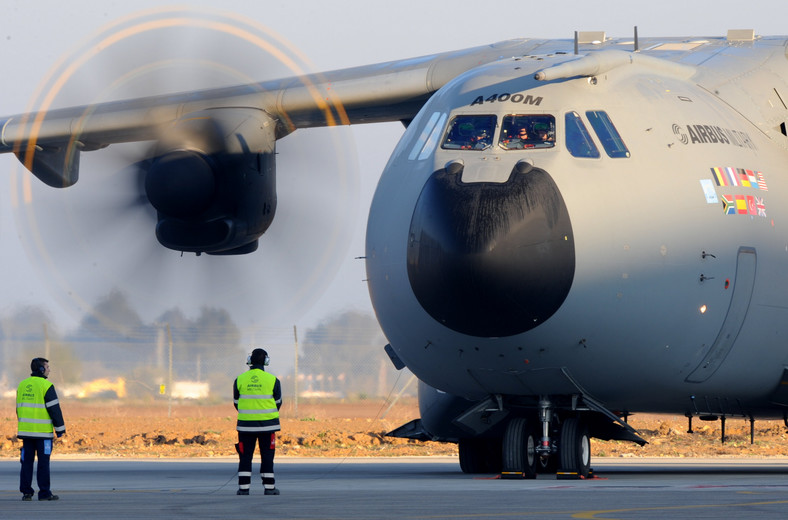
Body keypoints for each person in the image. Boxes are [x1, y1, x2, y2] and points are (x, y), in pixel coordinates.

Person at [233, 348, 282, 496]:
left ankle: (243, 488)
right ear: (266, 361)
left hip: (246, 427)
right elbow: (278, 402)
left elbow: (236, 402)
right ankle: (269, 488)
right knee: (267, 456)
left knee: (245, 457)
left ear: (250, 360)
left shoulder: (240, 379)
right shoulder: (273, 380)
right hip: (268, 426)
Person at [16, 357, 66, 501]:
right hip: (43, 433)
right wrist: (60, 429)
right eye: (47, 367)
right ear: (42, 369)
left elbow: (18, 409)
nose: (49, 370)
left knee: (26, 462)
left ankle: (26, 493)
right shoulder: (46, 386)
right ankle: (44, 493)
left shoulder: (22, 385)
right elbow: (54, 410)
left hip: (26, 433)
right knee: (43, 463)